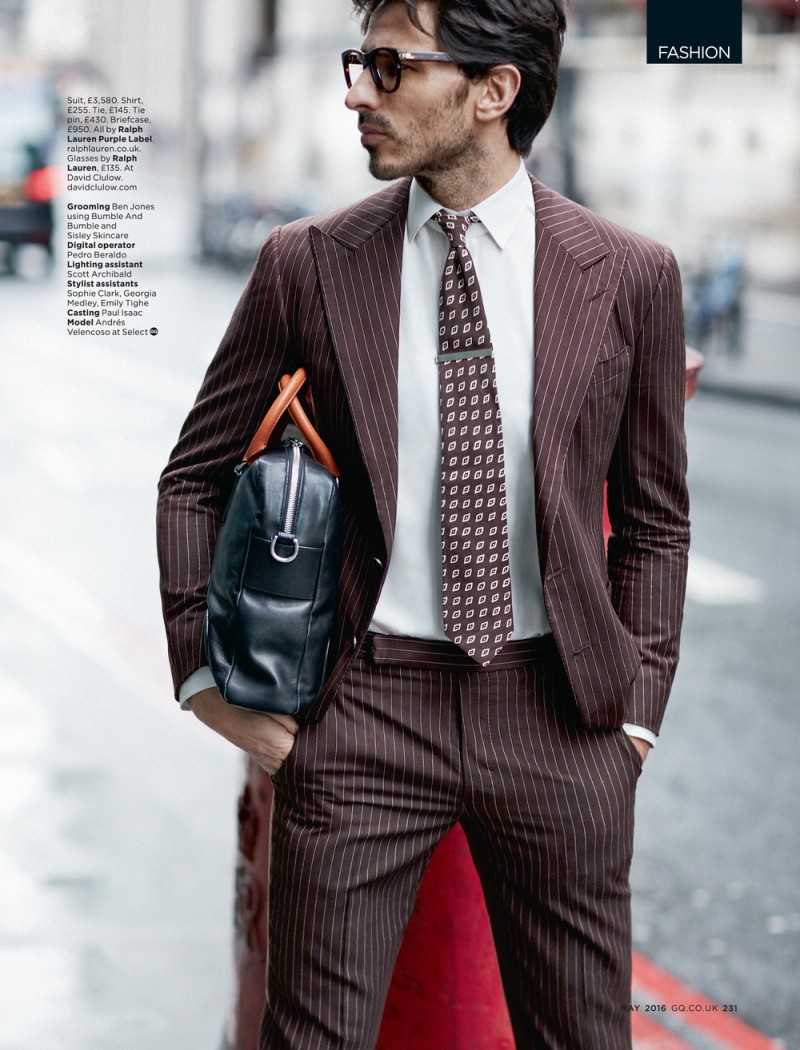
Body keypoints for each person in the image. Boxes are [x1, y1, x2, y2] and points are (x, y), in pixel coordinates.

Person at [156, 0, 690, 1046]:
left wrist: (633, 716)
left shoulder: (629, 276)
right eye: (357, 63)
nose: (357, 92)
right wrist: (204, 678)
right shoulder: (306, 263)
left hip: (558, 718)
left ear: (493, 92)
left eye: (391, 68)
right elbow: (194, 476)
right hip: (362, 711)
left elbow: (656, 517)